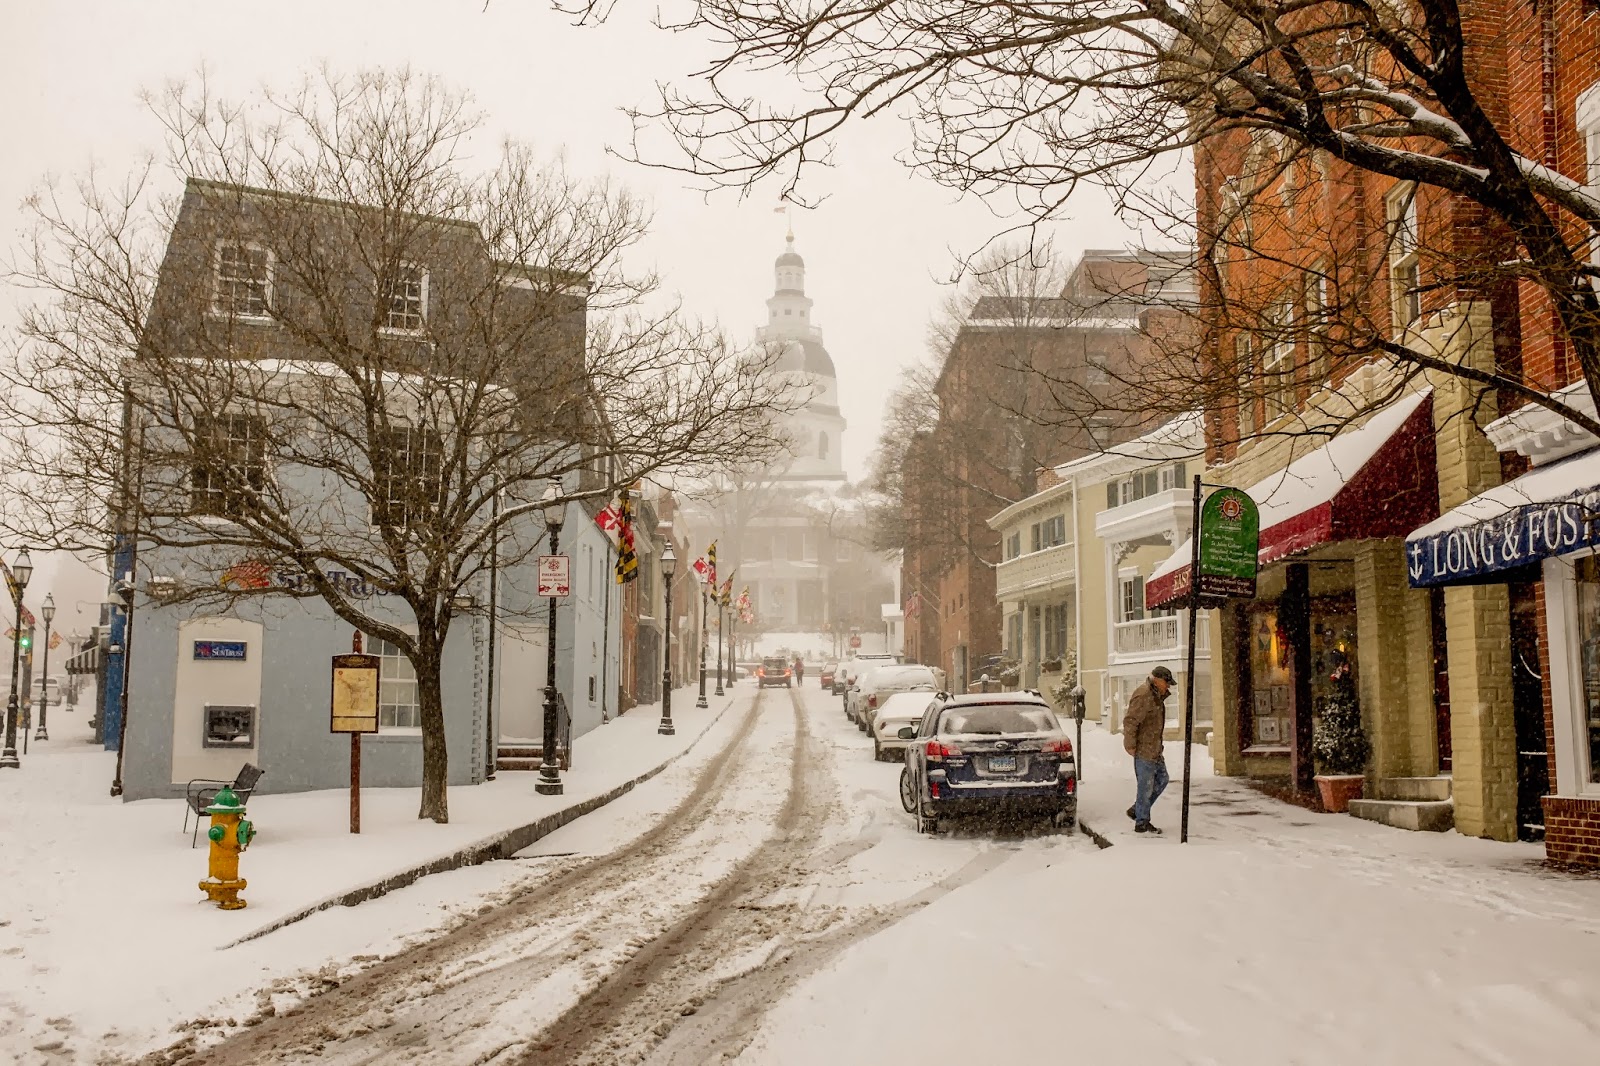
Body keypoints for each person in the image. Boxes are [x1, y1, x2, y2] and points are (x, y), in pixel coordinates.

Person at [1124, 665, 1174, 834]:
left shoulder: (1156, 696)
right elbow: (1131, 720)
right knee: (1145, 786)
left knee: (1163, 779)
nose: (1168, 686)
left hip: (1155, 749)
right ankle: (1142, 822)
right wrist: (1130, 744)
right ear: (1157, 680)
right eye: (1166, 683)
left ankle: (1138, 810)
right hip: (1144, 749)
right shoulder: (1144, 695)